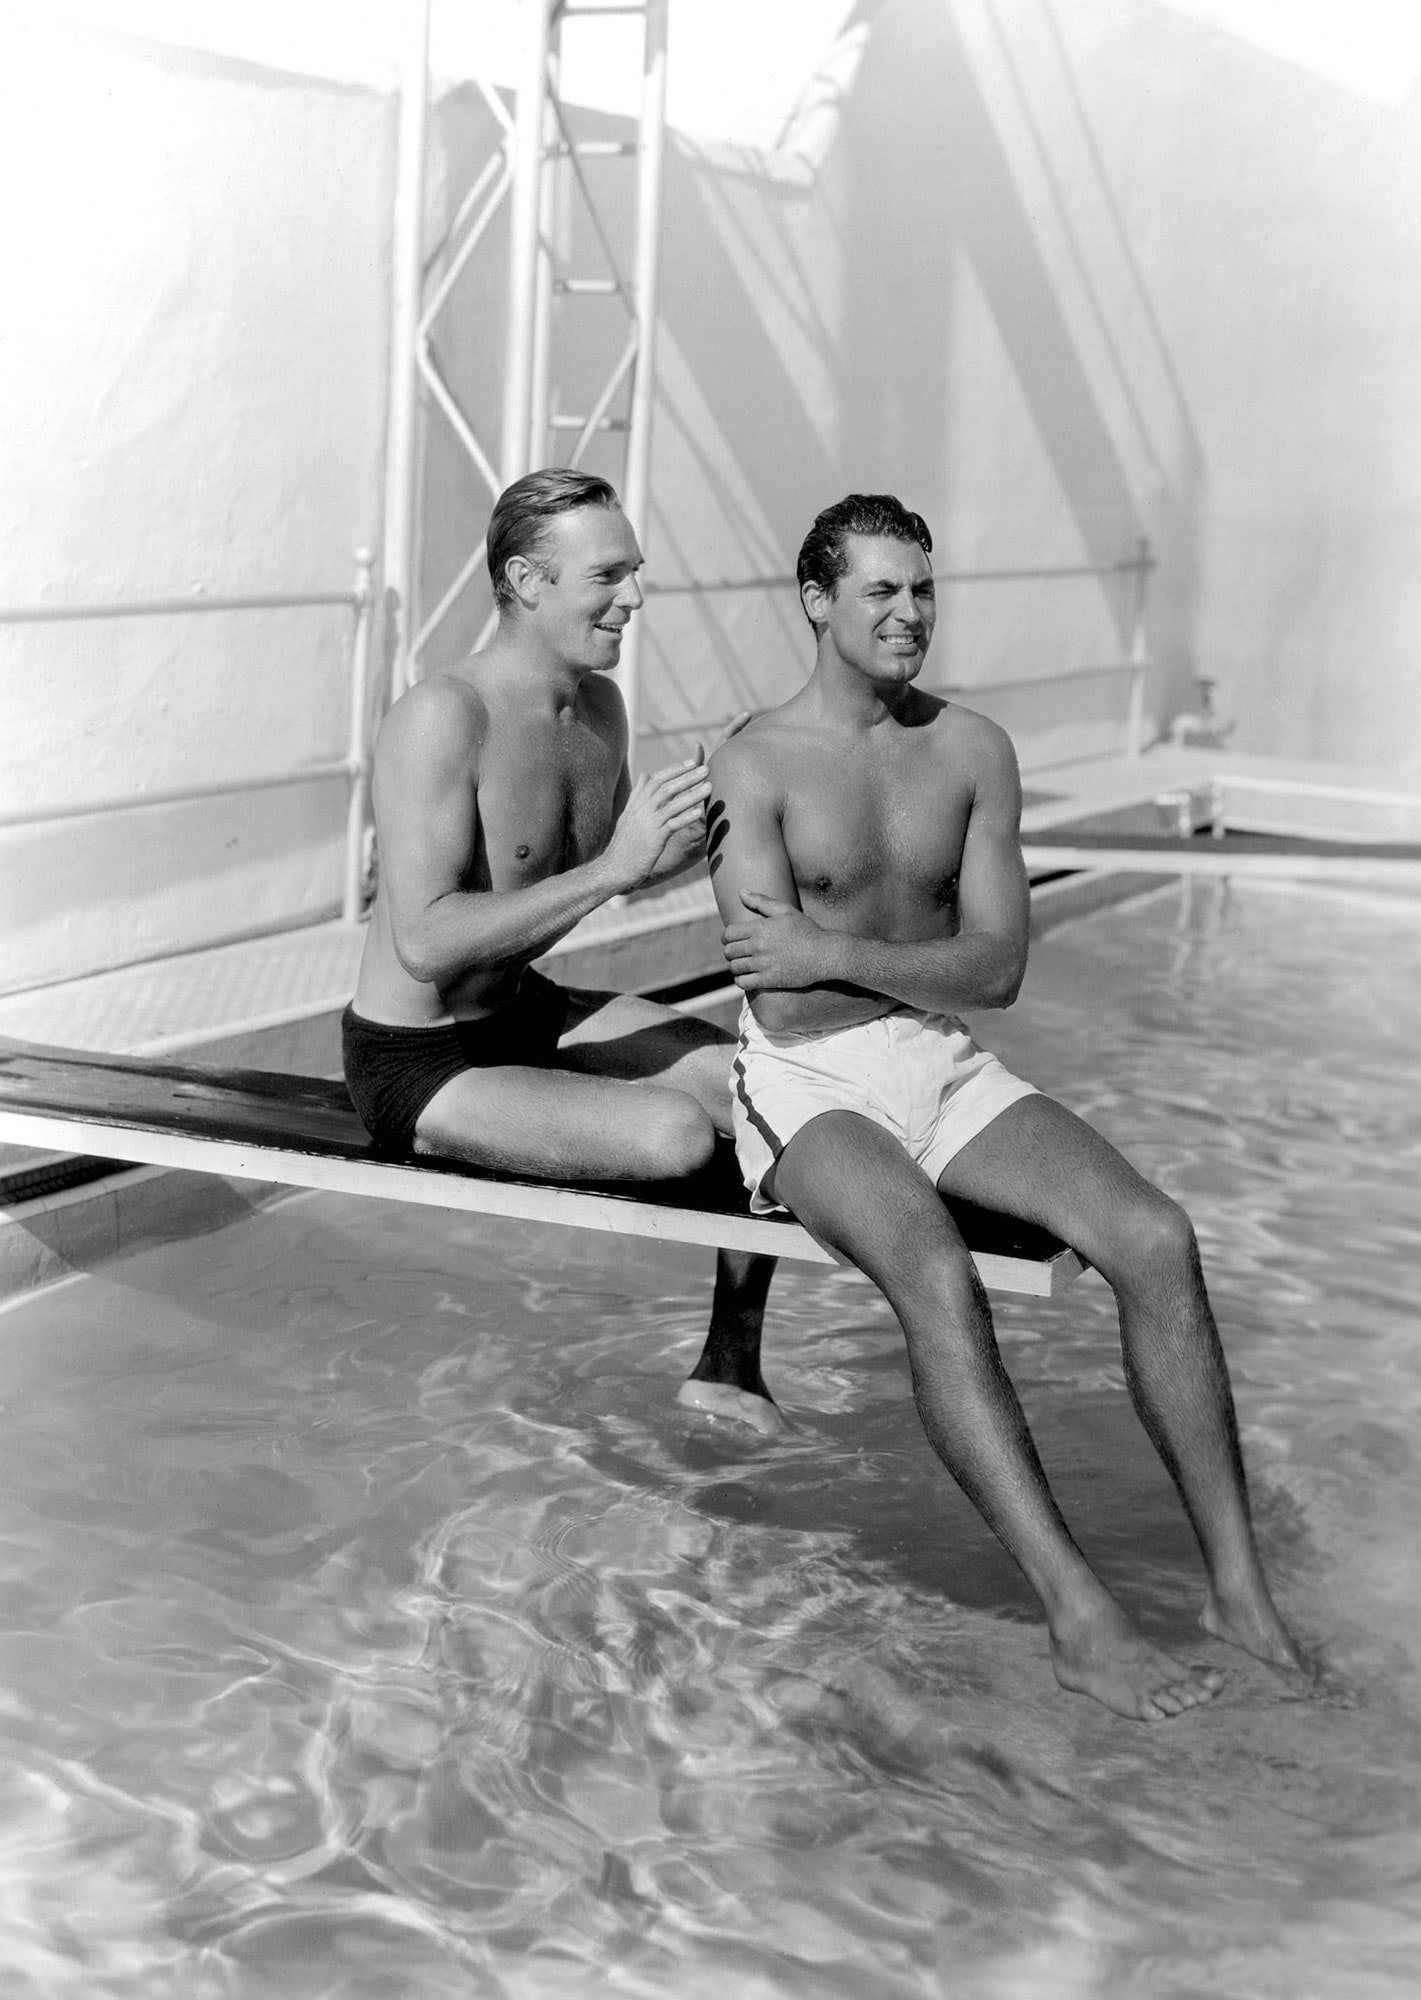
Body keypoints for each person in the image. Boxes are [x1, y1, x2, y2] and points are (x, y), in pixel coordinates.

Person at [705, 492, 1315, 1722]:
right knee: (937, 1276)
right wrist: (838, 959)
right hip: (808, 1082)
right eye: (880, 590)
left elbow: (1000, 969)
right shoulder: (754, 762)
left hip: (940, 1057)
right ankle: (1078, 1614)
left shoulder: (972, 750)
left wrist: (835, 945)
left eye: (923, 589)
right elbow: (784, 991)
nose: (909, 613)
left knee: (1156, 1237)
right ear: (817, 601)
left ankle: (1237, 1591)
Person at [344, 468, 778, 1431]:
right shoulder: (441, 717)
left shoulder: (599, 713)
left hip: (523, 1009)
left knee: (760, 1085)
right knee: (674, 1134)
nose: (632, 599)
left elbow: (621, 865)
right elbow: (423, 940)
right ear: (527, 581)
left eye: (636, 573)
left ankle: (730, 1367)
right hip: (419, 1060)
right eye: (608, 576)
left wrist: (721, 806)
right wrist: (617, 868)